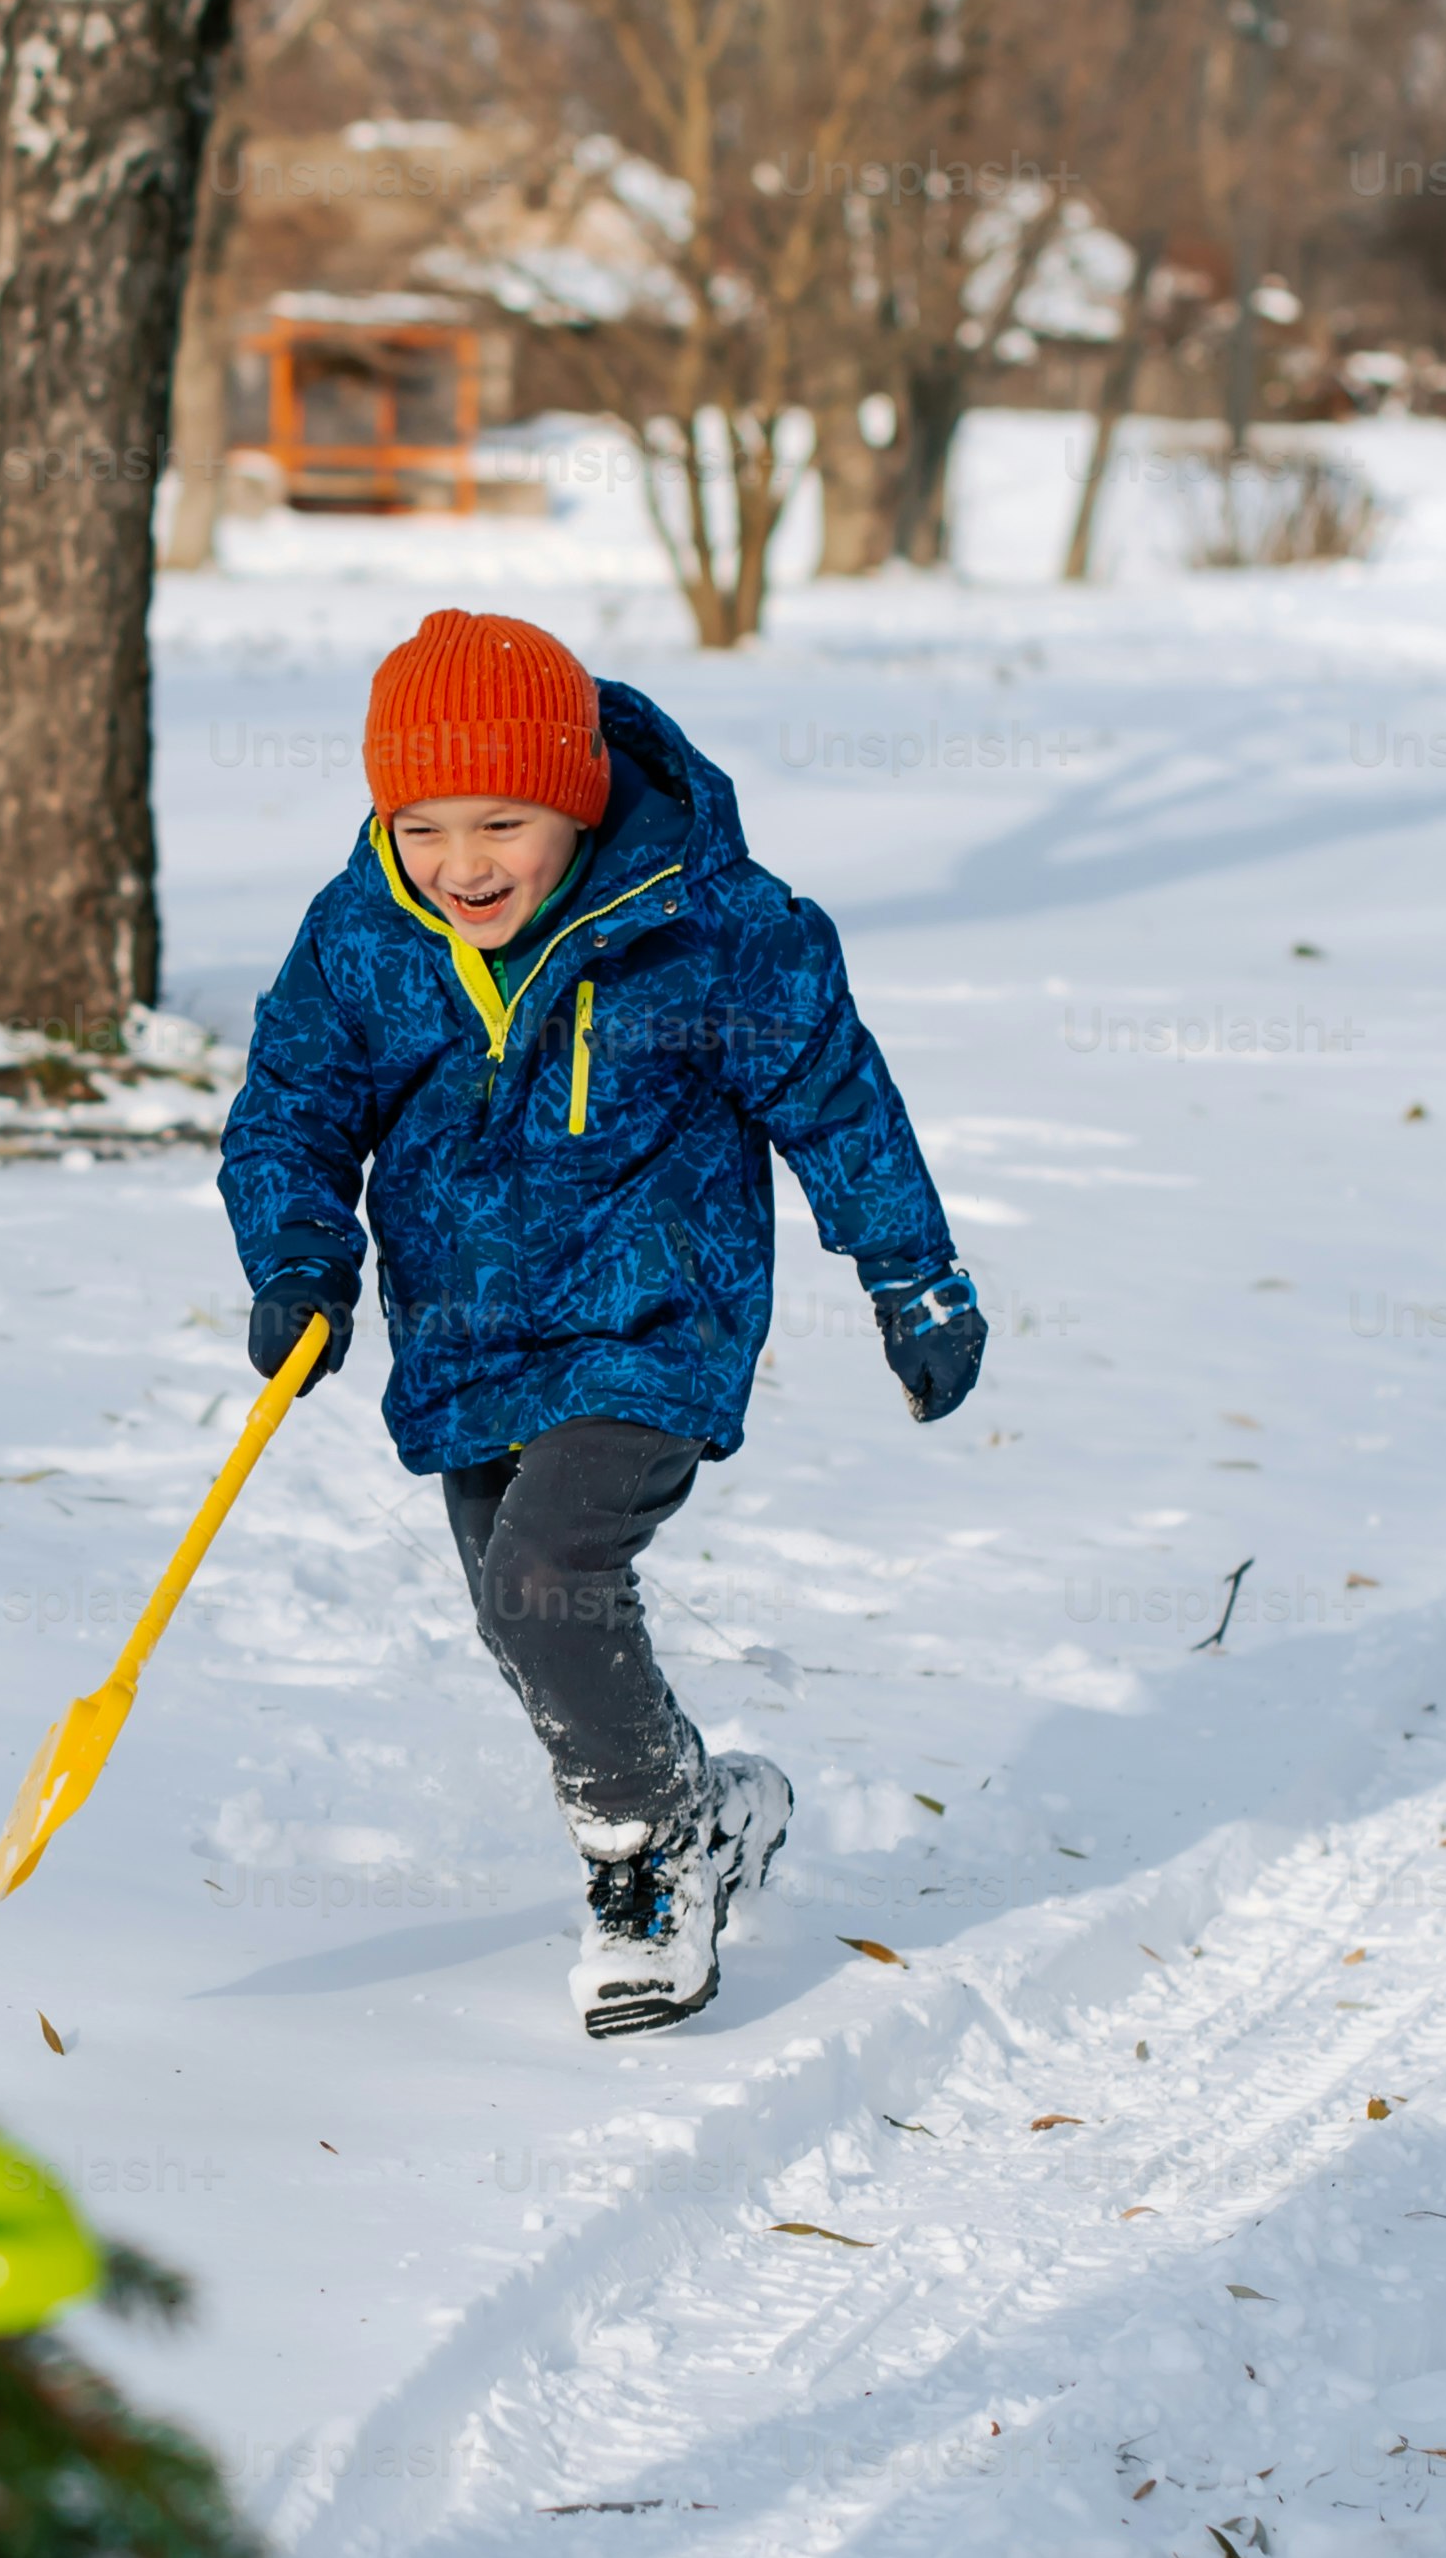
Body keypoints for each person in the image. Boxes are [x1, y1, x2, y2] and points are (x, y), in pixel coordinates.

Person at [216, 609, 981, 2038]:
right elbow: (292, 1108)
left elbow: (837, 1096)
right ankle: (702, 1802)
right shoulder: (365, 937)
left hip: (656, 1307)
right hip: (471, 1332)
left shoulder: (709, 923)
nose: (461, 865)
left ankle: (642, 1864)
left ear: (572, 796)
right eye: (424, 825)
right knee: (523, 1620)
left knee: (543, 1581)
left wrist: (911, 1273)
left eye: (501, 821)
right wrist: (299, 1251)